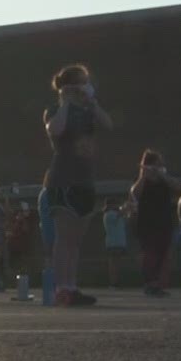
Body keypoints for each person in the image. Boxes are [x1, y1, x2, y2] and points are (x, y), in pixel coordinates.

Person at [44, 64, 112, 307]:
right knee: (64, 236)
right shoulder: (56, 109)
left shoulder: (88, 110)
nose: (87, 84)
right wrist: (65, 101)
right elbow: (56, 129)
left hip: (85, 180)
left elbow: (108, 124)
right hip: (63, 179)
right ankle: (61, 288)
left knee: (76, 240)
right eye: (82, 81)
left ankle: (72, 286)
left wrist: (92, 102)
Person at [130, 150, 176, 296]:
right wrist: (143, 175)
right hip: (147, 222)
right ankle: (150, 284)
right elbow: (134, 193)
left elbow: (177, 186)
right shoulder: (143, 180)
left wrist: (161, 174)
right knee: (150, 254)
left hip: (164, 220)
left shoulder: (164, 179)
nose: (160, 165)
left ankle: (158, 284)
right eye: (157, 163)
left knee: (162, 253)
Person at [101, 202, 129, 288]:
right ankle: (113, 283)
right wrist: (125, 207)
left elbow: (123, 218)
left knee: (117, 264)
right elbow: (120, 214)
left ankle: (116, 282)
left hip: (118, 242)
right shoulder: (109, 214)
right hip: (113, 242)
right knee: (113, 264)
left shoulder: (116, 215)